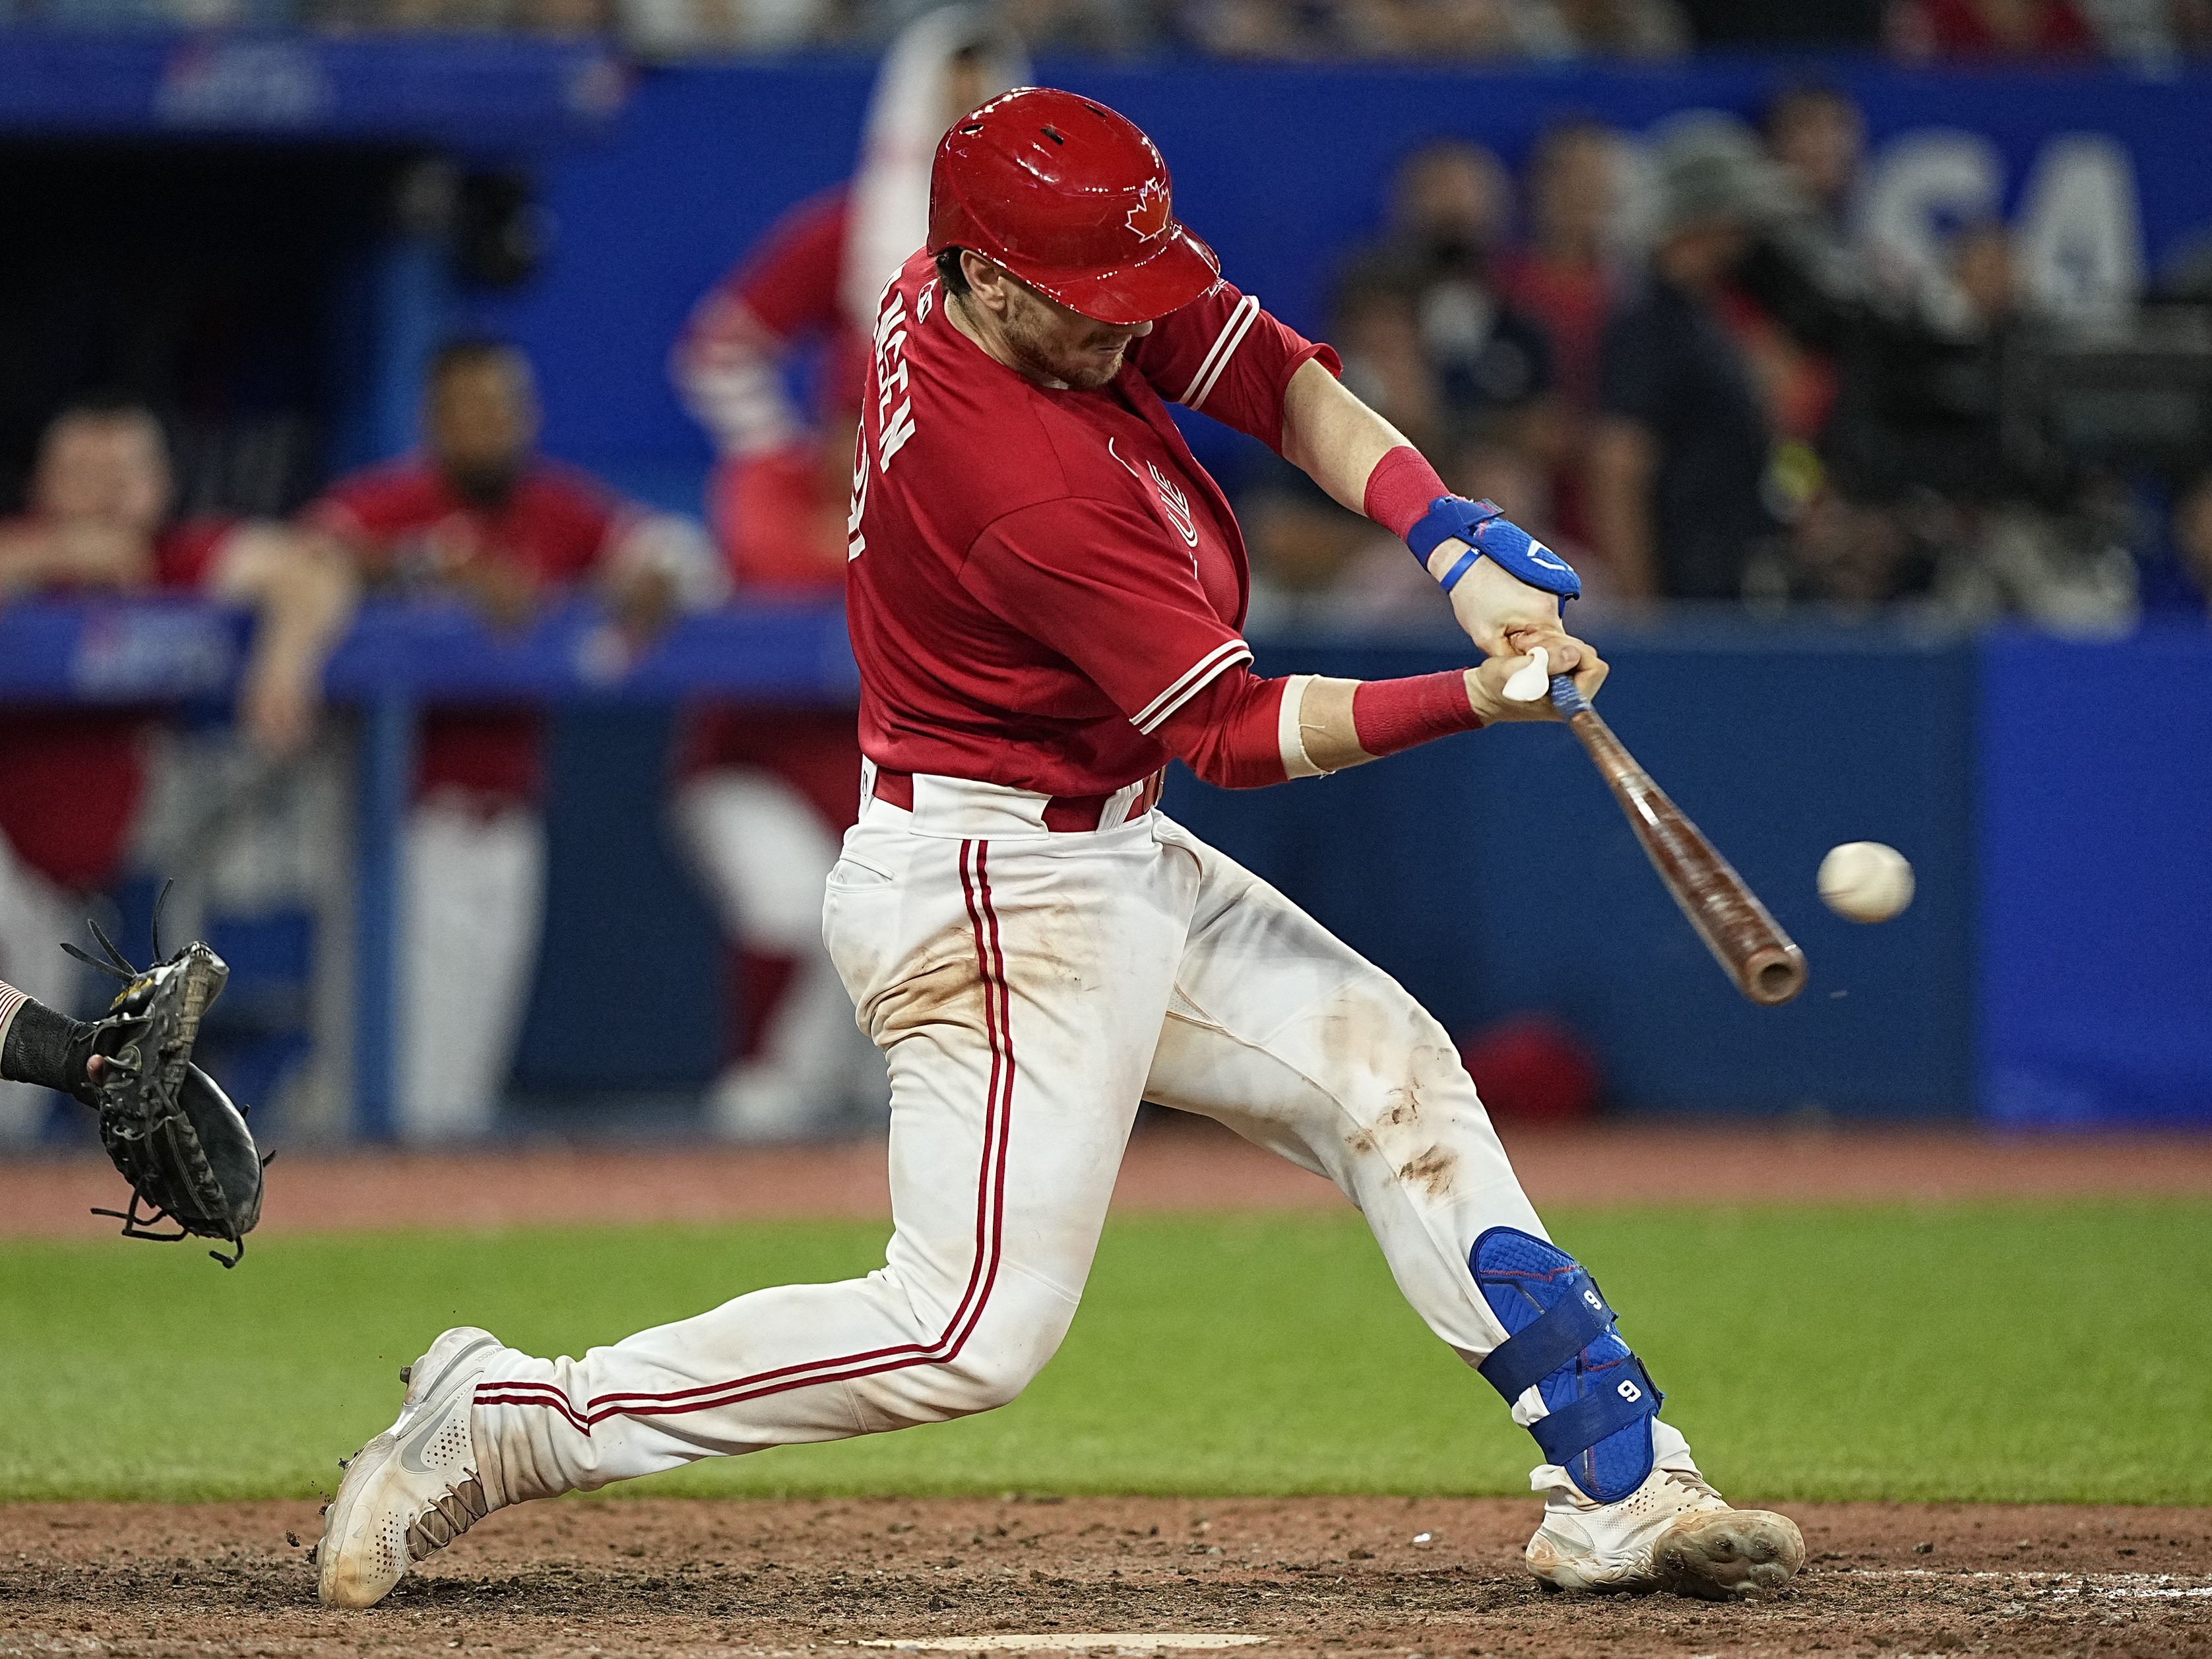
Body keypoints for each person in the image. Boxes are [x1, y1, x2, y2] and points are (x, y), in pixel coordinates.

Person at [317, 88, 1806, 1610]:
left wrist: (1447, 536)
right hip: (997, 891)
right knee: (967, 1334)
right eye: (1089, 308)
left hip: (1103, 848)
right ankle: (507, 1421)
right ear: (990, 278)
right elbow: (1231, 729)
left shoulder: (975, 277)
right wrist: (1477, 694)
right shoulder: (1013, 481)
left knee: (1390, 1072)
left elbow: (1271, 372)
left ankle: (1622, 1482)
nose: (1124, 332)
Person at [669, 4, 1025, 1139]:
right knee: (823, 885)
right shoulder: (850, 230)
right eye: (947, 96)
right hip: (854, 532)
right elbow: (719, 349)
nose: (964, 118)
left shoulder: (1032, 273)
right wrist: (785, 450)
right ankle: (767, 1092)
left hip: (971, 548)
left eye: (988, 98)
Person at [304, 339, 716, 1141]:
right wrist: (437, 566)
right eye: (471, 412)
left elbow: (678, 554)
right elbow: (315, 551)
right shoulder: (396, 504)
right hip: (394, 829)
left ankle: (424, 1239)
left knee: (464, 1077)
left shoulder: (551, 508)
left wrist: (654, 573)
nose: (491, 428)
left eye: (504, 410)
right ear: (435, 420)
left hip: (509, 823)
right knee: (385, 1070)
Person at [0, 398, 355, 1144]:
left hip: (64, 895)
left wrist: (284, 659)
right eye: (81, 473)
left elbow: (314, 568)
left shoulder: (173, 560)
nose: (103, 493)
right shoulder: (24, 553)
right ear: (41, 482)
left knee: (16, 1117)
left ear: (161, 484)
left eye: (123, 473)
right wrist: (56, 554)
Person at [1587, 118, 1786, 600]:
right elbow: (1617, 468)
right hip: (1684, 594)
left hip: (1726, 583)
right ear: (1705, 219)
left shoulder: (1705, 316)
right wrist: (1642, 613)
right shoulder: (1649, 323)